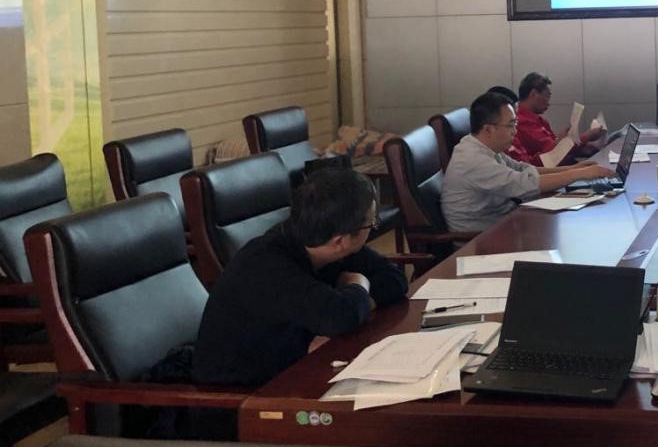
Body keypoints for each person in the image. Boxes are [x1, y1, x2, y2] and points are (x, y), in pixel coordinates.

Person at [192, 169, 408, 388]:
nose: (373, 227)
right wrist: (359, 283)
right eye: (372, 223)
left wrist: (358, 302)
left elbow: (395, 279)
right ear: (340, 241)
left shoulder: (326, 239)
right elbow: (340, 317)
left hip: (292, 367)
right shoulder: (267, 265)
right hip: (238, 392)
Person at [442, 91, 615, 233]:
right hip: (478, 240)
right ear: (488, 129)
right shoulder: (473, 160)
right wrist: (579, 174)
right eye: (511, 125)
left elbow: (522, 169)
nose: (515, 131)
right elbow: (525, 183)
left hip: (502, 224)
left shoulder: (483, 146)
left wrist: (573, 168)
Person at [510, 72, 606, 167]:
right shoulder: (521, 121)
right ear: (533, 94)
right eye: (547, 96)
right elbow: (553, 155)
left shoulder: (539, 120)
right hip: (553, 172)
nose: (548, 103)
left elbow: (559, 151)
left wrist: (585, 146)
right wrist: (586, 137)